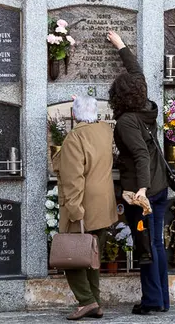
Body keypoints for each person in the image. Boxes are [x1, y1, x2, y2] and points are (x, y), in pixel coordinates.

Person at [107, 31, 171, 315]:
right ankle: (161, 300)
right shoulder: (147, 108)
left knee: (146, 246)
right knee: (155, 243)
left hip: (141, 193)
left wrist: (141, 191)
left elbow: (141, 155)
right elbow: (137, 73)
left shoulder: (126, 123)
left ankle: (152, 301)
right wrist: (121, 46)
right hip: (159, 186)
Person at [54, 95, 117, 321]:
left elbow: (73, 180)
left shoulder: (74, 138)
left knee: (71, 258)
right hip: (103, 205)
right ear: (96, 113)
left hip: (83, 206)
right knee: (92, 259)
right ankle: (95, 303)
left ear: (73, 115)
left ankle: (86, 301)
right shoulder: (104, 131)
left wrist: (74, 210)